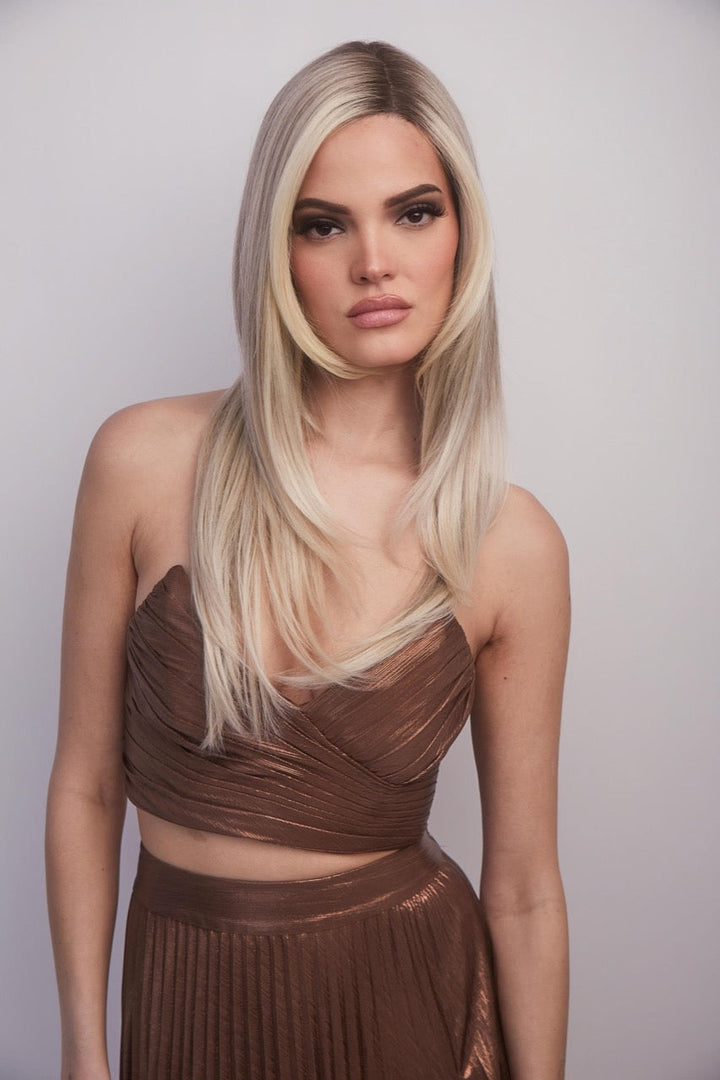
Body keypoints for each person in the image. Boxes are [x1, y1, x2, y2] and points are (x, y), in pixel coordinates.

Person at [45, 39, 570, 1080]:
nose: (373, 262)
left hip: (407, 1005)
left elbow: (523, 889)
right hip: (186, 1003)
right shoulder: (140, 462)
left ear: (461, 234)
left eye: (413, 213)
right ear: (274, 249)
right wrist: (82, 1052)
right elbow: (86, 788)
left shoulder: (509, 544)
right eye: (323, 224)